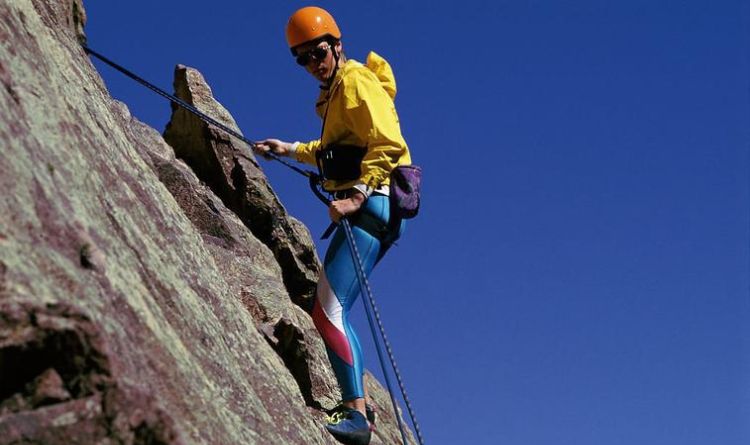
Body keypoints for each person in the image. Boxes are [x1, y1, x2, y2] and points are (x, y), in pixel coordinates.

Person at [253, 6, 412, 445]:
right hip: (375, 209)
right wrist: (287, 149)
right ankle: (359, 405)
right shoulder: (338, 90)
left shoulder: (357, 81)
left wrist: (357, 195)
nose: (312, 64)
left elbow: (387, 143)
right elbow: (332, 147)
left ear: (337, 45)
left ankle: (357, 417)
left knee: (327, 313)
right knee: (336, 310)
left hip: (371, 204)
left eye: (318, 52)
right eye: (302, 58)